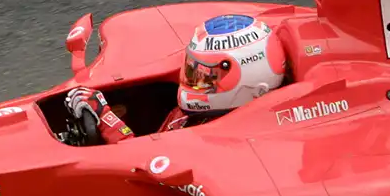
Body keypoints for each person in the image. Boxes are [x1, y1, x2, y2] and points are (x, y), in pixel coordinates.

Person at [65, 14, 287, 144]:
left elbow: (153, 161)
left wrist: (108, 121)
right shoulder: (192, 113)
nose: (195, 81)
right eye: (194, 70)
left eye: (207, 77)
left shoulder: (229, 141)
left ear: (254, 86)